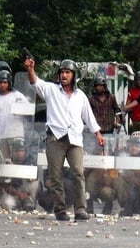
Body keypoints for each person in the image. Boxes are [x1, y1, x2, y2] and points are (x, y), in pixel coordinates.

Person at [25, 56, 104, 221]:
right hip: (55, 137)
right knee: (56, 175)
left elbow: (89, 117)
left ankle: (80, 210)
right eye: (62, 72)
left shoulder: (80, 95)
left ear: (74, 75)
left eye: (68, 72)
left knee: (78, 174)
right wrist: (30, 69)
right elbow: (35, 83)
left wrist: (98, 133)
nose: (64, 75)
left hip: (75, 139)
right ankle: (60, 210)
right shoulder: (52, 89)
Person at [0, 63, 28, 161]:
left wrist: (21, 111)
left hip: (17, 136)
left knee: (18, 161)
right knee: (4, 163)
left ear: (9, 83)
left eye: (5, 82)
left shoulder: (18, 96)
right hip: (2, 137)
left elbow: (29, 113)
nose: (2, 85)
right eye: (0, 82)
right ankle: (6, 177)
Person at [116, 132, 140, 217]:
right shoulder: (124, 156)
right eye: (132, 144)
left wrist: (138, 174)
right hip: (129, 185)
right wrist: (134, 179)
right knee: (118, 181)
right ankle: (125, 208)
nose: (134, 147)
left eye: (138, 145)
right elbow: (121, 173)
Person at [0, 136, 38, 212]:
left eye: (22, 151)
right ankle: (15, 208)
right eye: (17, 151)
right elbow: (5, 185)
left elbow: (33, 179)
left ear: (25, 151)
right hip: (14, 193)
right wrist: (19, 194)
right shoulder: (8, 163)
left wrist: (15, 168)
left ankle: (30, 205)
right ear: (12, 151)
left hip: (27, 193)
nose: (19, 153)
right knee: (6, 203)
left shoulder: (30, 161)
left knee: (35, 184)